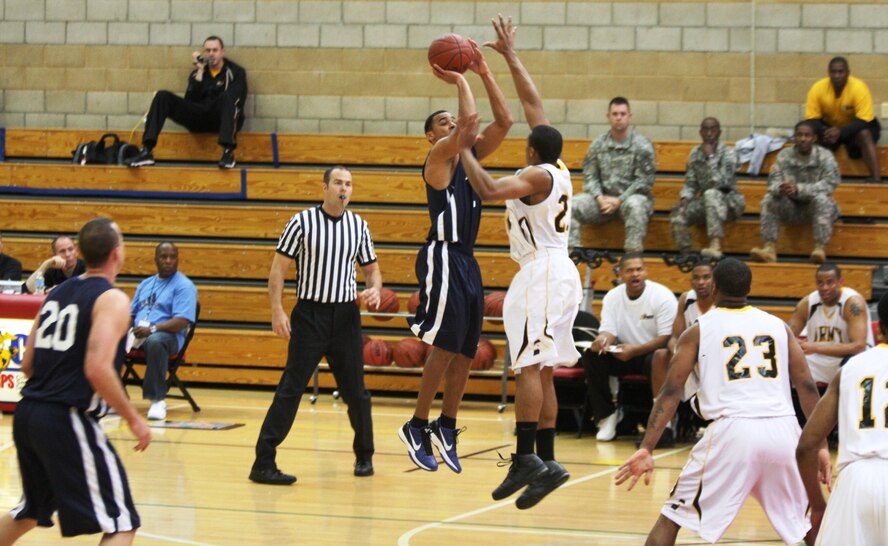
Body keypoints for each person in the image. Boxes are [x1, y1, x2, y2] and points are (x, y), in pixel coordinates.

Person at [455, 14, 581, 509]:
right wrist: (506, 58)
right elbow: (533, 104)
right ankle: (545, 462)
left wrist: (466, 150)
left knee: (528, 363)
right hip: (555, 270)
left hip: (544, 271)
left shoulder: (536, 175)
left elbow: (486, 189)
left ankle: (527, 454)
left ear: (531, 150)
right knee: (543, 368)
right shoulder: (559, 165)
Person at [615, 258, 830, 546]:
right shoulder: (778, 326)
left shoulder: (699, 330)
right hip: (784, 431)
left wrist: (647, 447)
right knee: (808, 524)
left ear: (714, 288)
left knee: (672, 517)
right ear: (749, 288)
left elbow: (670, 392)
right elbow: (806, 387)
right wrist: (821, 445)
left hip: (732, 433)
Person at [400, 32, 512, 473]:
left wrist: (484, 72)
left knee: (466, 348)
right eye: (441, 121)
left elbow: (502, 122)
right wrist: (461, 80)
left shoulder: (470, 158)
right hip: (442, 256)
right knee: (445, 345)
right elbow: (468, 129)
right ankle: (416, 423)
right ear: (431, 134)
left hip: (466, 259)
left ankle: (446, 424)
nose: (451, 124)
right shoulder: (439, 158)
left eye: (452, 120)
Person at [0, 217, 151, 545]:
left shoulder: (57, 293)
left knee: (28, 511)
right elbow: (97, 368)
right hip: (66, 417)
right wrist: (134, 419)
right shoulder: (112, 299)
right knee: (122, 522)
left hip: (28, 413)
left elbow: (27, 364)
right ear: (116, 253)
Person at [250, 166, 382, 485]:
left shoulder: (358, 225)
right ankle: (263, 463)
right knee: (291, 389)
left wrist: (375, 287)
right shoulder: (301, 222)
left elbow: (372, 270)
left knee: (356, 392)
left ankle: (364, 455)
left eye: (349, 183)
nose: (344, 188)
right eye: (338, 182)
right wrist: (277, 311)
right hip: (310, 316)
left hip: (346, 317)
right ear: (324, 187)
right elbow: (278, 272)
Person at [796, 292, 888, 545]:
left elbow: (806, 445)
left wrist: (816, 504)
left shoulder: (850, 369)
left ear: (878, 327)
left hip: (856, 483)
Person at [584, 253, 676, 442]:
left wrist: (635, 350)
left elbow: (666, 337)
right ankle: (607, 415)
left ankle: (663, 421)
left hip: (651, 354)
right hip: (623, 352)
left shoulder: (662, 296)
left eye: (639, 269)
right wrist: (602, 340)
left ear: (646, 272)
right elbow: (608, 330)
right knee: (592, 355)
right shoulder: (612, 297)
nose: (635, 274)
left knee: (659, 356)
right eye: (630, 271)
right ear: (620, 275)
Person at [126, 35, 247, 170]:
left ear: (222, 52)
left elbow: (237, 100)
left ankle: (228, 153)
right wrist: (200, 71)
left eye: (215, 50)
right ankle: (147, 151)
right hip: (199, 118)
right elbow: (189, 101)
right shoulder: (198, 73)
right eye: (207, 51)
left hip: (220, 119)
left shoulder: (236, 72)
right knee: (162, 96)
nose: (211, 54)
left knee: (227, 97)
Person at [570, 97, 656, 253]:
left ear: (630, 116)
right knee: (572, 205)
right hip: (603, 202)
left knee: (635, 205)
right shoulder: (598, 145)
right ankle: (572, 256)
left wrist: (620, 200)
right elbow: (590, 177)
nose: (619, 118)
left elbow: (644, 181)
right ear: (608, 116)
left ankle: (632, 257)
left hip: (630, 199)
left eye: (623, 114)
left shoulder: (642, 145)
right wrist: (599, 198)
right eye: (615, 114)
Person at [750, 120, 840, 264]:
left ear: (815, 138)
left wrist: (799, 189)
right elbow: (772, 182)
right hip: (791, 208)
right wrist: (781, 188)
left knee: (822, 200)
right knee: (770, 199)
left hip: (815, 209)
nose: (803, 139)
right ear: (794, 138)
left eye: (807, 135)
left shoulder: (825, 156)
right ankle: (769, 249)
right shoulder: (784, 156)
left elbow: (830, 184)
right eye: (799, 135)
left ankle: (819, 249)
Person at [130, 242, 198, 421]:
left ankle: (157, 400)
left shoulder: (184, 286)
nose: (168, 261)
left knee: (156, 341)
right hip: (138, 335)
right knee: (107, 337)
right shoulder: (145, 284)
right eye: (163, 257)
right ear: (155, 259)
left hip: (169, 338)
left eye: (172, 257)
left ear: (177, 260)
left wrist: (151, 329)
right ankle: (109, 395)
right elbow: (131, 313)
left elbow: (181, 322)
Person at [669, 118, 745, 258]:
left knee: (711, 193)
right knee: (678, 212)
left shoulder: (729, 153)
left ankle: (715, 245)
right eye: (705, 129)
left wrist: (710, 157)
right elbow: (690, 183)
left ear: (719, 132)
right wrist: (685, 198)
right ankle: (687, 254)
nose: (709, 133)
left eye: (713, 129)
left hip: (730, 203)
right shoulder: (695, 153)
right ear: (700, 132)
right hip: (707, 203)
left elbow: (724, 183)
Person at [788, 263, 872, 387]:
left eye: (830, 282)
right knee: (789, 363)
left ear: (840, 282)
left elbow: (858, 347)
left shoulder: (852, 303)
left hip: (847, 359)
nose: (825, 287)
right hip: (817, 360)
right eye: (820, 283)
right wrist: (795, 344)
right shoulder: (807, 303)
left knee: (851, 362)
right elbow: (786, 335)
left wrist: (815, 347)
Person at [649, 259, 714, 417]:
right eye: (696, 278)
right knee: (660, 355)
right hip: (691, 357)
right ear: (690, 280)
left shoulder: (722, 301)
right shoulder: (686, 299)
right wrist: (678, 352)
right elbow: (674, 338)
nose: (701, 282)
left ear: (714, 280)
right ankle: (664, 421)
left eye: (706, 277)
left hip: (714, 357)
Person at [806, 56, 881, 182]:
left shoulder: (859, 87)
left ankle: (877, 179)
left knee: (865, 134)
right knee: (809, 132)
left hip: (856, 128)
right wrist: (826, 131)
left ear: (848, 73)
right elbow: (812, 119)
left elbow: (864, 120)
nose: (837, 76)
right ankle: (813, 179)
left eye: (841, 72)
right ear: (829, 73)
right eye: (833, 72)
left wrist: (841, 131)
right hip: (831, 129)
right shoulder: (818, 88)